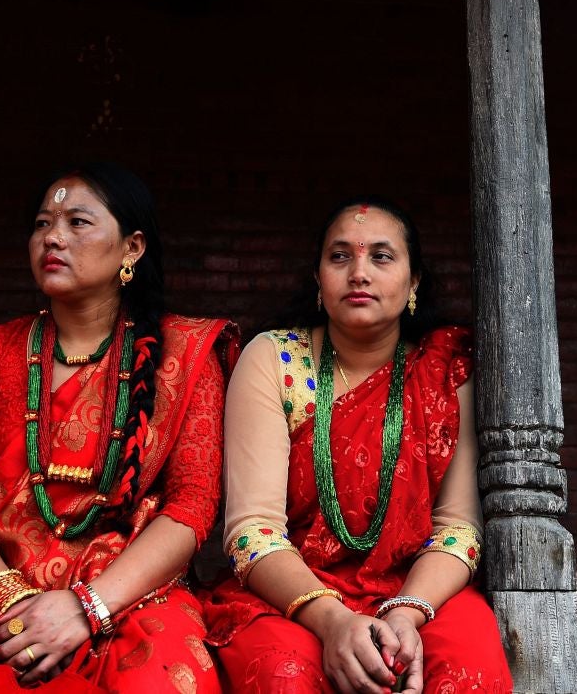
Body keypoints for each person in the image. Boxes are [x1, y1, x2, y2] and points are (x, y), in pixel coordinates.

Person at [0, 163, 236, 694]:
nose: (52, 237)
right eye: (43, 223)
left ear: (132, 248)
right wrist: (16, 607)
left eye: (78, 222)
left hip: (133, 597)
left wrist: (85, 607)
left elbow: (191, 509)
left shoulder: (186, 354)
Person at [205, 199, 513, 694]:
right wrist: (331, 622)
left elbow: (457, 529)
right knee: (285, 675)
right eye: (341, 256)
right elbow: (253, 531)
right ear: (317, 278)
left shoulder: (448, 369)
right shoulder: (274, 358)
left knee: (464, 672)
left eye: (382, 257)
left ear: (414, 283)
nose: (359, 273)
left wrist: (408, 613)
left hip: (422, 591)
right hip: (290, 595)